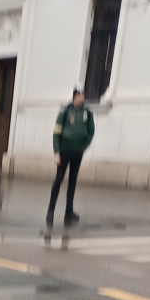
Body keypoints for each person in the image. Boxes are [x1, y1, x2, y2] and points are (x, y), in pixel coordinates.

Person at [47, 87, 94, 227]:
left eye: (83, 95)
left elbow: (91, 130)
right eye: (79, 95)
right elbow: (57, 132)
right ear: (74, 97)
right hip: (64, 151)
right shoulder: (65, 112)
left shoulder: (87, 113)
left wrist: (85, 145)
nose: (82, 98)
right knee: (59, 179)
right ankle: (51, 210)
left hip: (78, 152)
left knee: (73, 181)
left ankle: (69, 211)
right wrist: (56, 152)